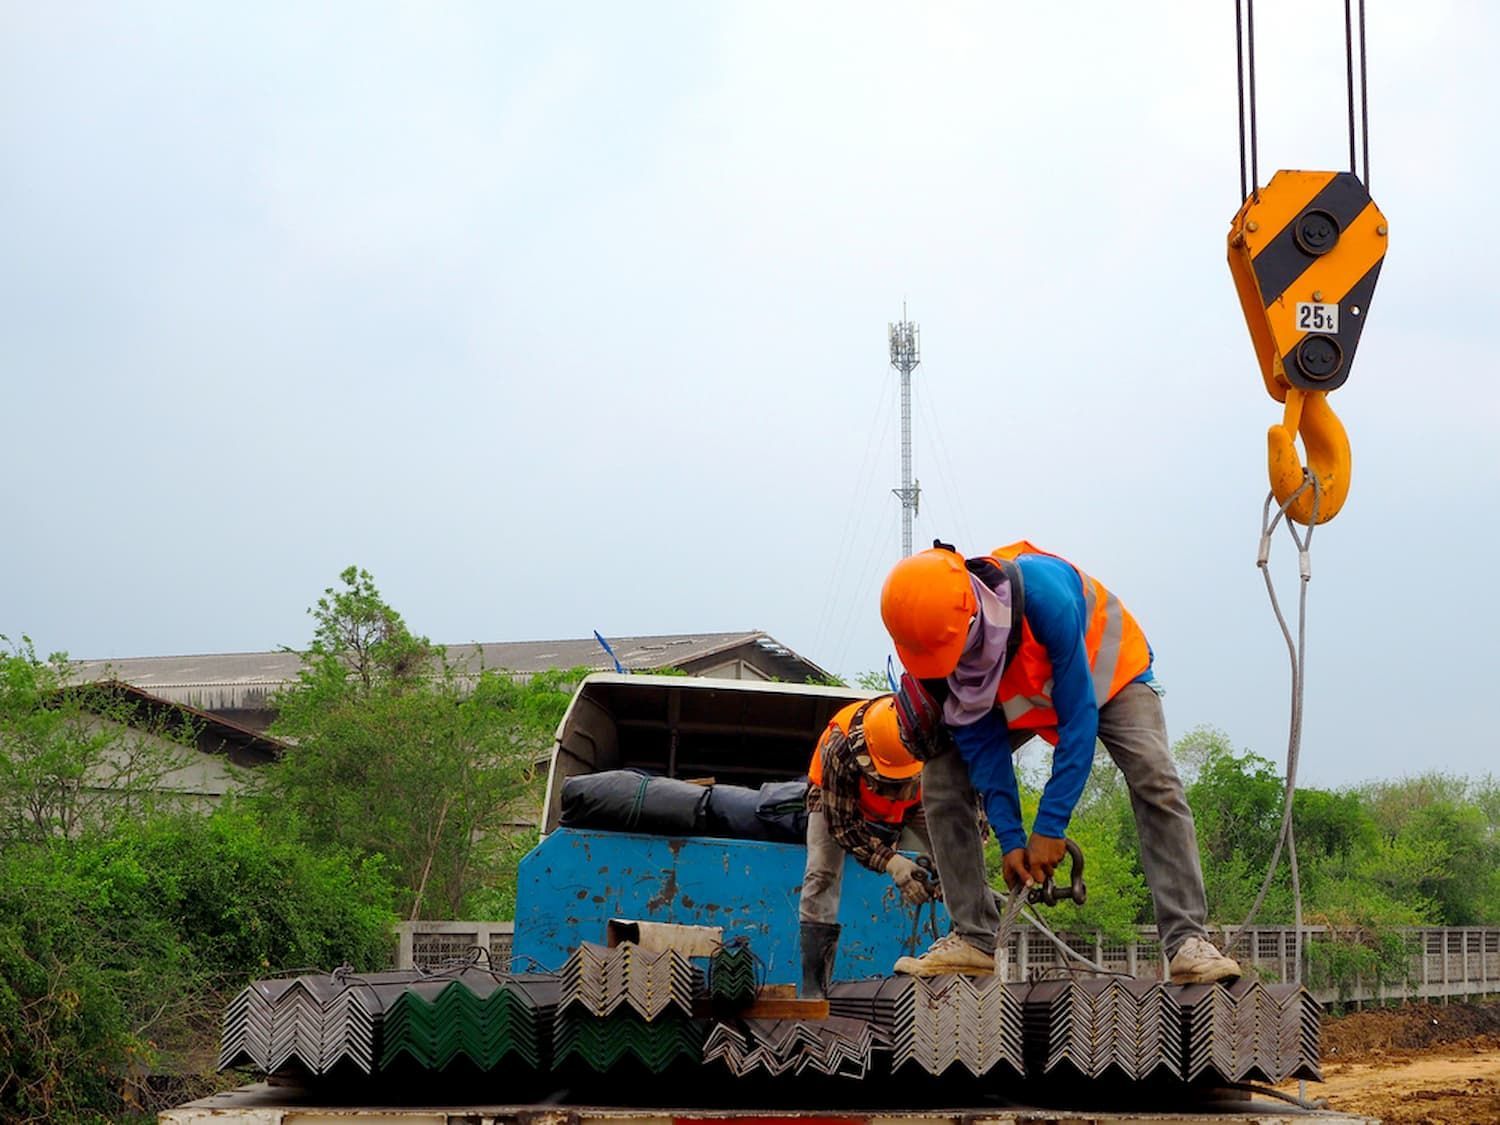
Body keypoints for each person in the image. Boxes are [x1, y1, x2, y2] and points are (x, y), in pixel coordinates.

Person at [879, 540, 1241, 985]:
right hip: (1019, 691)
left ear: (970, 615)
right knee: (942, 774)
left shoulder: (1044, 595)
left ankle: (1188, 940)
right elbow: (984, 751)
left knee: (1155, 777)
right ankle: (973, 938)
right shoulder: (941, 653)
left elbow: (1079, 720)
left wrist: (1050, 827)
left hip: (1106, 677)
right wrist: (1012, 840)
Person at [800, 695, 933, 998]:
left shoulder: (938, 739)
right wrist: (893, 862)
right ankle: (813, 989)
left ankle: (962, 958)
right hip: (838, 799)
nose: (891, 790)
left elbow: (968, 816)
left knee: (956, 855)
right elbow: (843, 828)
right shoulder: (839, 746)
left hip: (918, 802)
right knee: (821, 872)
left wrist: (946, 871)